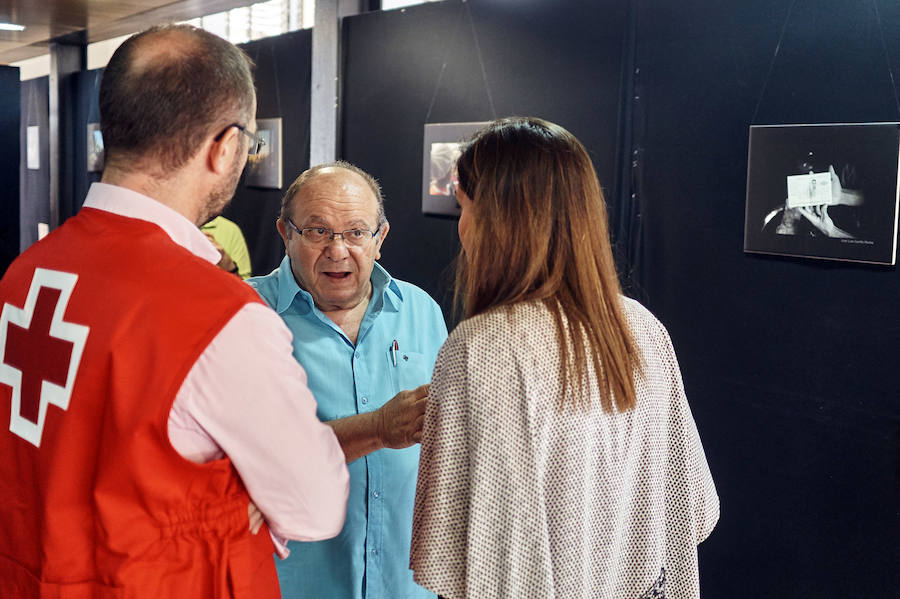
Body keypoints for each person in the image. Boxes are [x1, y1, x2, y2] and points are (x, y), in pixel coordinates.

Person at [0, 25, 349, 598]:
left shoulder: (24, 274)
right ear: (225, 146)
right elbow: (314, 505)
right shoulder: (219, 315)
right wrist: (237, 493)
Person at [410, 117, 719, 599]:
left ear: (498, 218)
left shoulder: (481, 348)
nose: (462, 227)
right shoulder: (641, 328)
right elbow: (691, 510)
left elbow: (456, 561)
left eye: (463, 206)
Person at [248, 161, 447, 599]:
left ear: (380, 238)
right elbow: (243, 464)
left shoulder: (421, 310)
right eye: (318, 231)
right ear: (285, 234)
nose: (337, 250)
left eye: (356, 232)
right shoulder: (243, 315)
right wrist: (378, 428)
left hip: (406, 586)